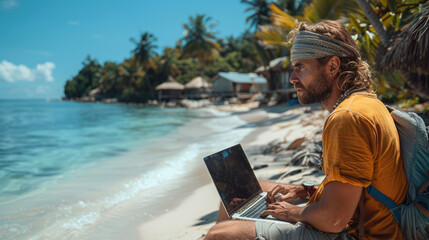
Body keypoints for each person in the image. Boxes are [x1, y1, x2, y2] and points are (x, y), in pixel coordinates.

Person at [204, 20, 408, 240]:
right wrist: (305, 191)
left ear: (332, 66)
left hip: (359, 234)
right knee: (249, 193)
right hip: (359, 218)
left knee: (220, 234)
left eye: (301, 66)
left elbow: (334, 220)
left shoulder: (347, 118)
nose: (292, 77)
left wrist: (292, 213)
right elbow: (358, 186)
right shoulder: (366, 102)